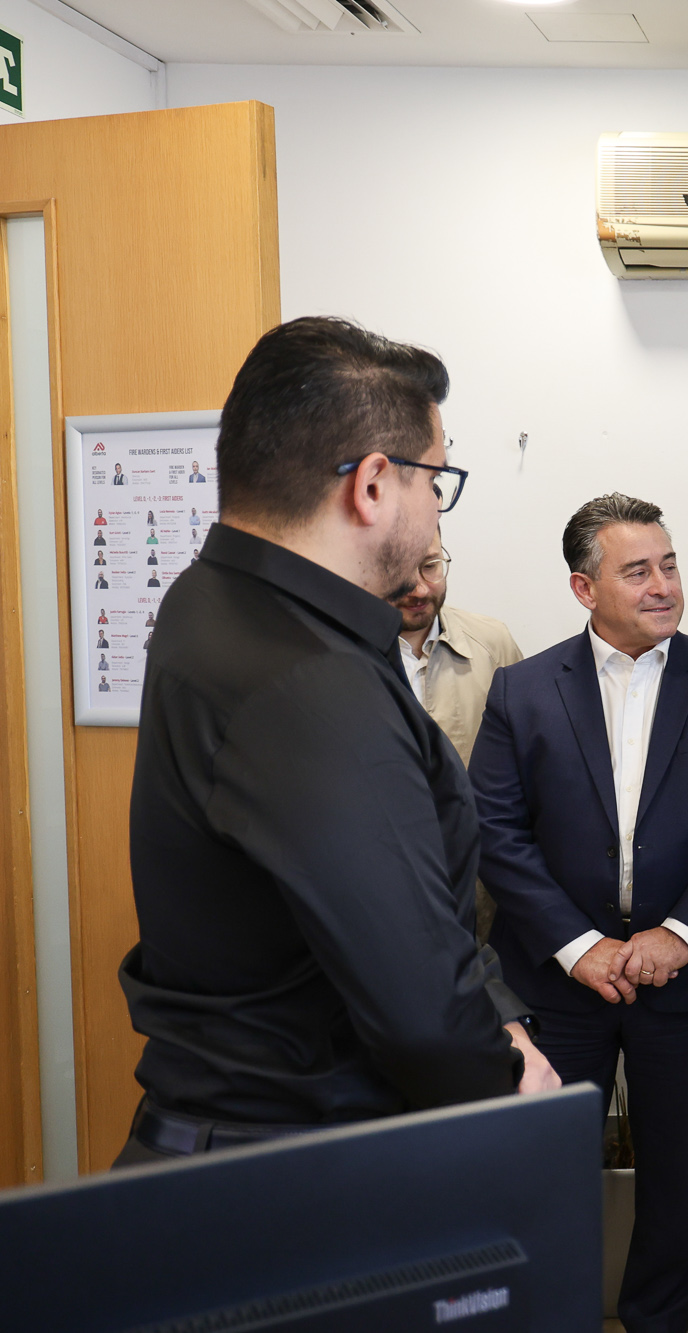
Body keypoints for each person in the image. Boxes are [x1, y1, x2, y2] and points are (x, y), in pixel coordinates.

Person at [117, 315, 558, 1168]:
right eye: (437, 480)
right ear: (373, 485)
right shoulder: (312, 682)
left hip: (223, 1144)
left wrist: (494, 1011)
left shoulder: (212, 597)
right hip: (295, 1170)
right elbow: (423, 1015)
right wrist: (511, 1078)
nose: (435, 514)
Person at [472, 493, 688, 1333]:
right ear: (585, 588)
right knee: (544, 1178)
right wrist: (578, 945)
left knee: (679, 1182)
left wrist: (679, 935)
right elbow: (495, 830)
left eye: (670, 565)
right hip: (556, 981)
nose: (663, 585)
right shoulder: (522, 690)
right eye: (638, 570)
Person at [395, 533, 523, 941]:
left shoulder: (492, 643)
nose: (419, 588)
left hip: (483, 886)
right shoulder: (339, 653)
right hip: (388, 880)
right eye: (400, 570)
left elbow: (532, 770)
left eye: (431, 566)